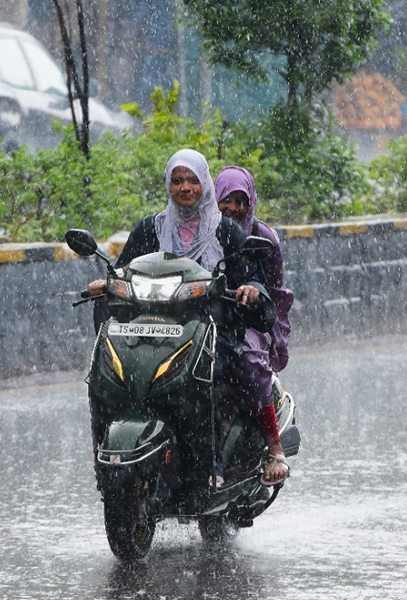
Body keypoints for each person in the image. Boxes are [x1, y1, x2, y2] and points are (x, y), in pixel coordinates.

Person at [87, 149, 290, 486]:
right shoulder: (150, 228)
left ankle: (212, 469)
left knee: (203, 376)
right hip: (152, 332)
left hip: (212, 330)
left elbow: (251, 276)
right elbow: (124, 268)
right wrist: (107, 284)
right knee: (105, 379)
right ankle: (104, 465)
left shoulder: (225, 231)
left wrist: (251, 289)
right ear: (168, 184)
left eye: (192, 180)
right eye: (177, 180)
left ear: (204, 184)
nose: (184, 187)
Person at [215, 166, 294, 374]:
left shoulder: (263, 236)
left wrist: (273, 330)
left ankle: (265, 407)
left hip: (250, 317)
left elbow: (276, 290)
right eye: (226, 200)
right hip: (210, 315)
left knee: (251, 362)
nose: (232, 208)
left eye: (240, 202)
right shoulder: (203, 231)